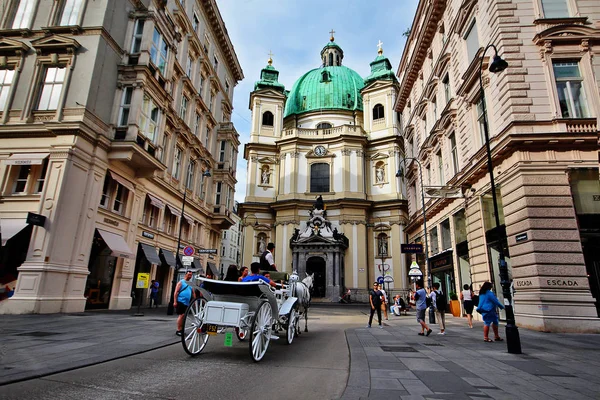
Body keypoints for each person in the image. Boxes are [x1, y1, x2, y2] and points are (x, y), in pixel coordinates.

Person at [174, 270, 196, 336]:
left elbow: (193, 292)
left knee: (184, 316)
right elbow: (176, 292)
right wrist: (175, 301)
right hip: (180, 301)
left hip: (187, 302)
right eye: (189, 274)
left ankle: (181, 329)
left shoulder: (190, 283)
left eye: (191, 275)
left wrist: (194, 301)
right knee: (182, 315)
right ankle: (179, 330)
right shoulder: (181, 282)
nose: (190, 276)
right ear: (185, 274)